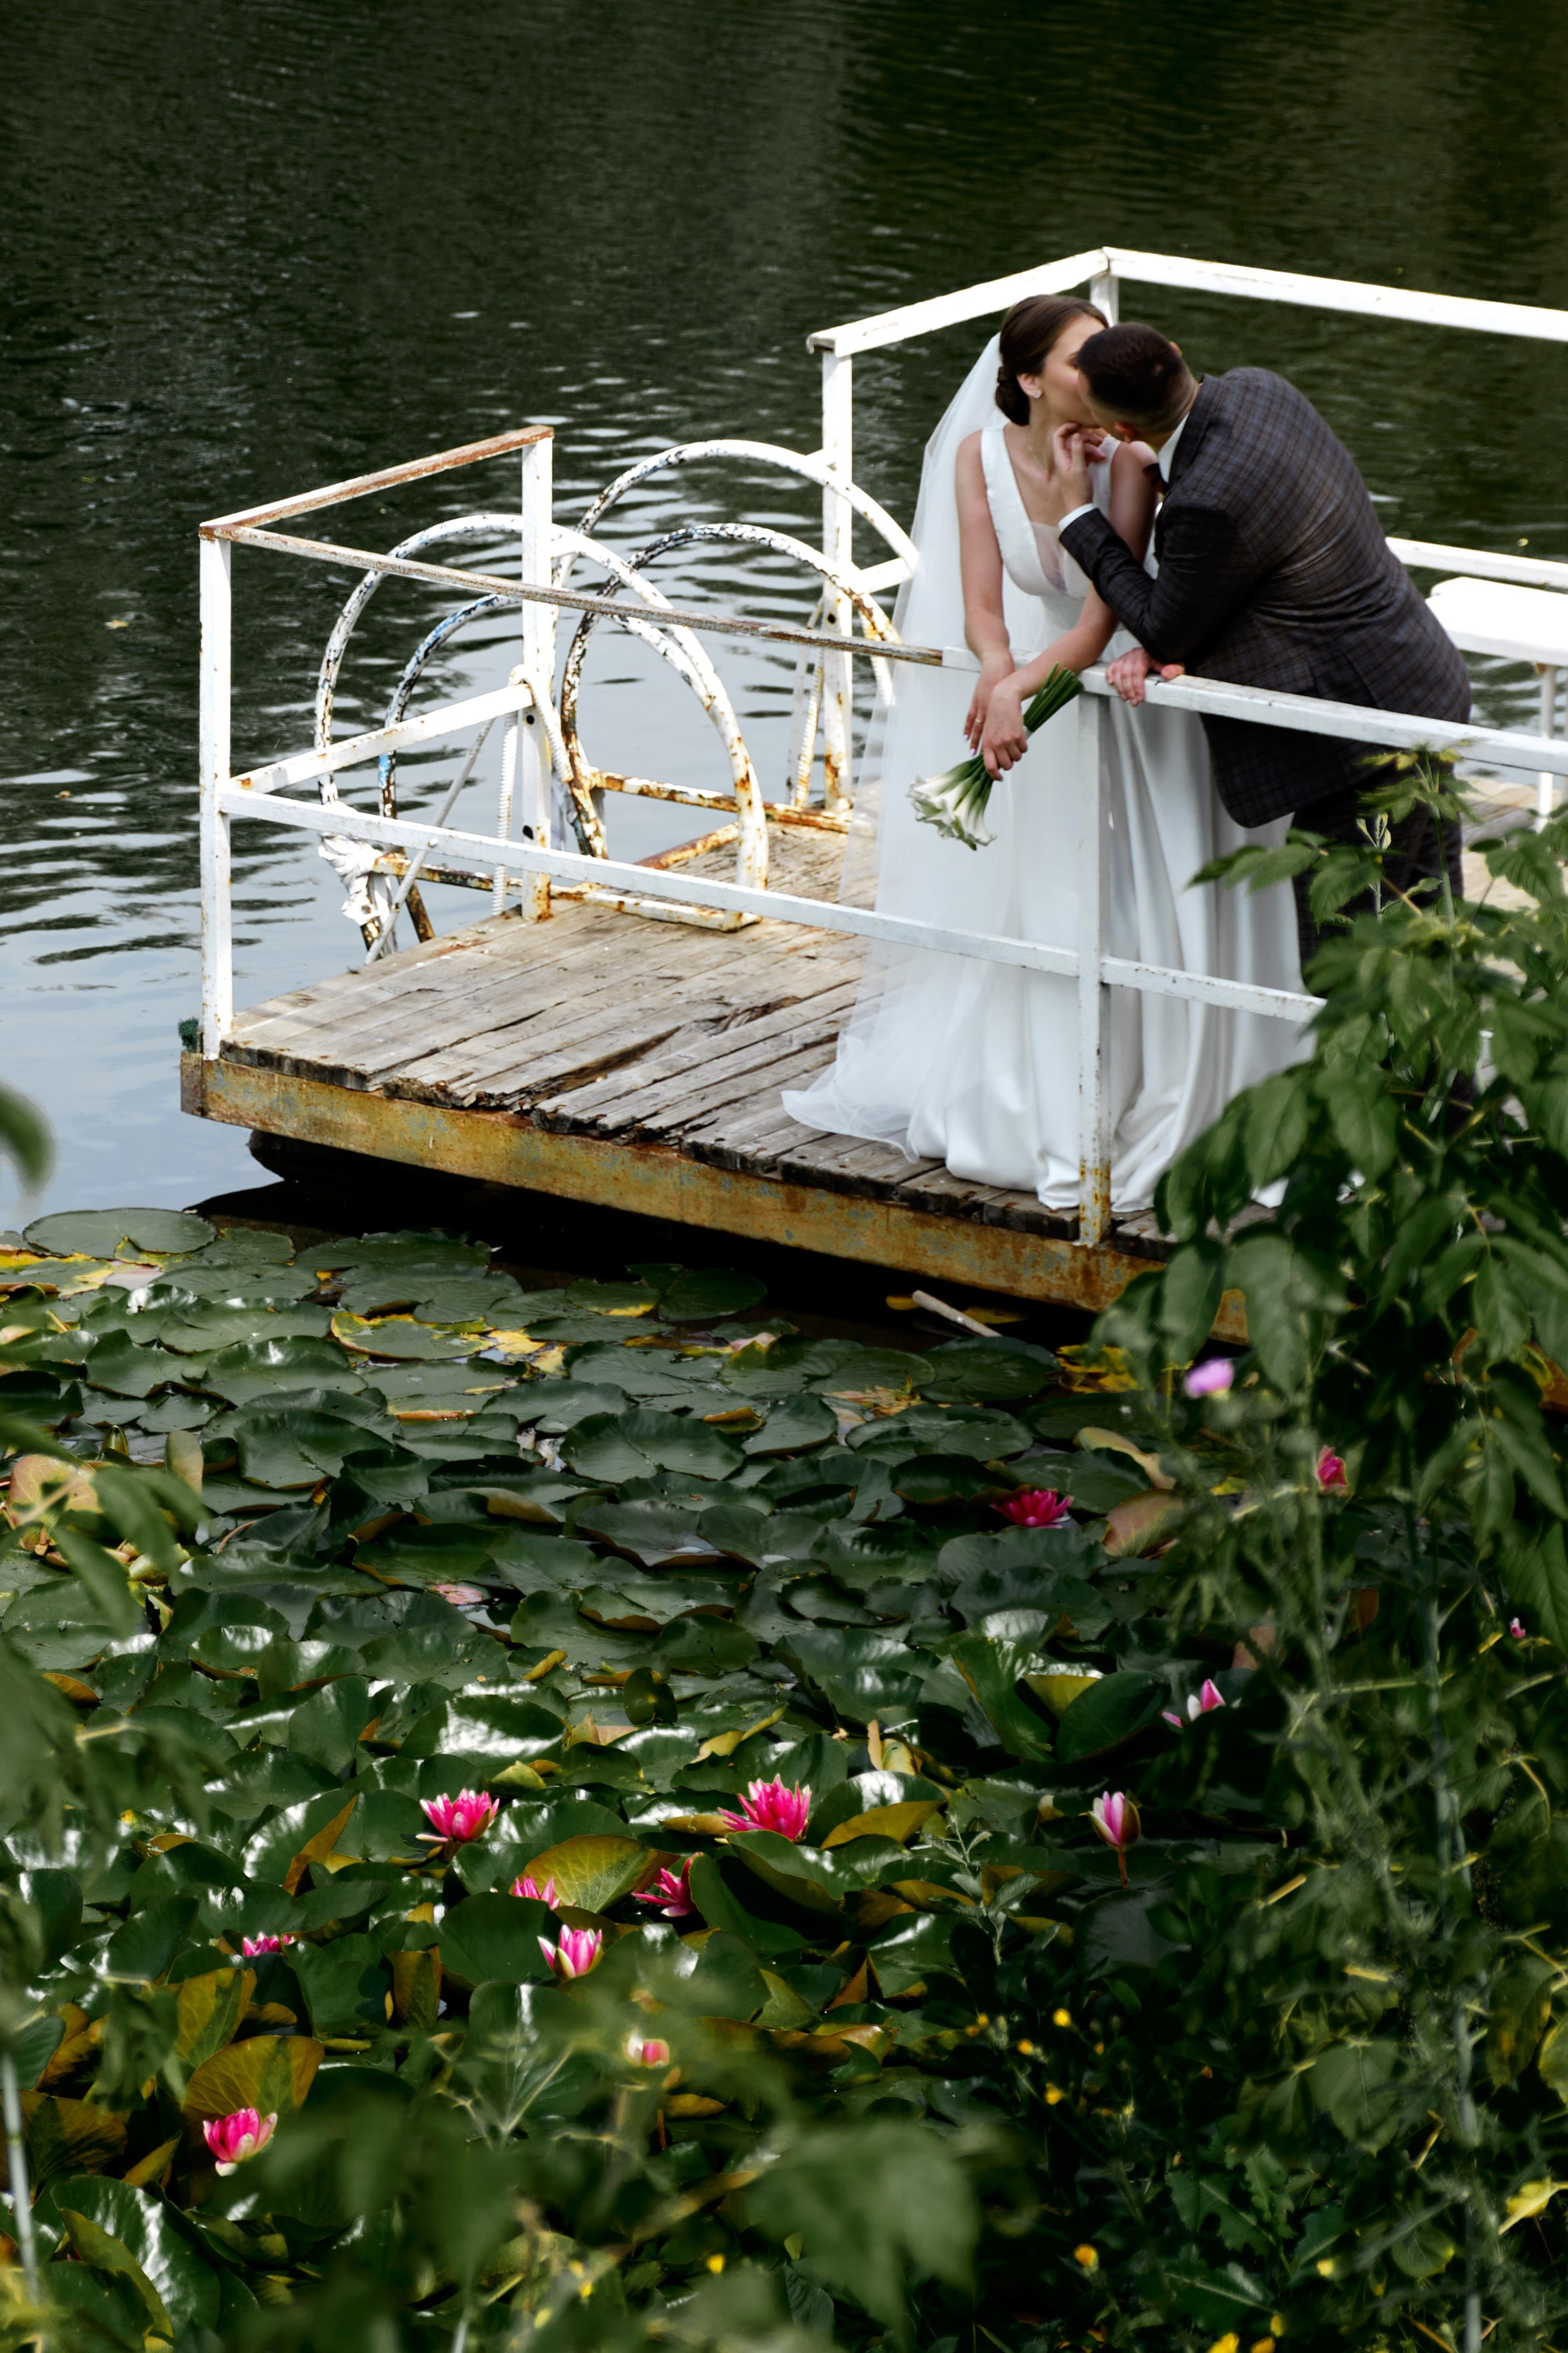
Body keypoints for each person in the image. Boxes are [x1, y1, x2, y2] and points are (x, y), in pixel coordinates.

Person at [782, 296, 1305, 1218]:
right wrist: (997, 673)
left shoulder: (1127, 463)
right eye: (1079, 359)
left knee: (1149, 898)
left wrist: (1015, 690)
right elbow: (983, 606)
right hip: (1043, 691)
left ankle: (1182, 1087)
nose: (1101, 371)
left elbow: (1102, 622)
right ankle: (1054, 1102)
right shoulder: (975, 457)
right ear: (1028, 380)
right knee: (1056, 897)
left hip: (1129, 693)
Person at [1047, 321, 1473, 963]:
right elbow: (1252, 518)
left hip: (1364, 746)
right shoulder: (1260, 388)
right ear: (1177, 355)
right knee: (1431, 921)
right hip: (1419, 683)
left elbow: (1162, 628)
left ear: (1122, 431)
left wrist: (1078, 514)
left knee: (1345, 957)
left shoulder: (1205, 506)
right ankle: (1450, 1032)